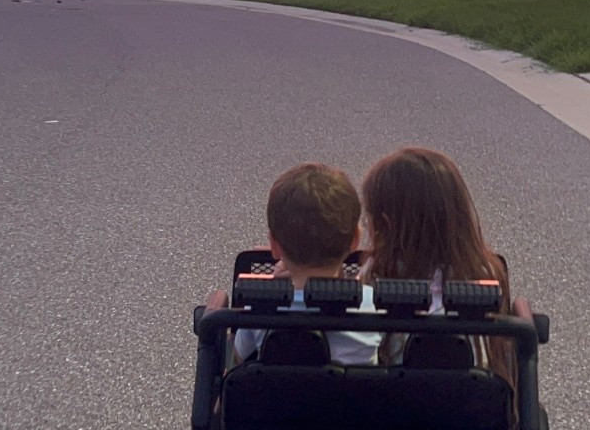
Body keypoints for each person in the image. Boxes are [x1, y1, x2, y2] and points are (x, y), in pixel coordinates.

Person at [360, 147, 520, 373]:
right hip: (474, 400)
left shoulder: (376, 275)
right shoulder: (484, 274)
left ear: (385, 224)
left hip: (392, 401)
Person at [211, 162, 380, 367]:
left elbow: (237, 360)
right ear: (355, 240)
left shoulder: (260, 307)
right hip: (356, 398)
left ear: (274, 245)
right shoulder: (373, 306)